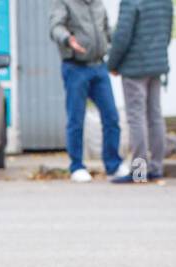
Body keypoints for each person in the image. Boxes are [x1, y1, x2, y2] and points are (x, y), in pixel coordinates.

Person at [50, 0, 123, 181]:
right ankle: (77, 166)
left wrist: (120, 49)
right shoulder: (64, 3)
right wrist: (67, 39)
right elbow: (55, 27)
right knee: (76, 118)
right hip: (75, 67)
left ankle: (113, 165)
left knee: (111, 117)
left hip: (99, 66)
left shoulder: (98, 4)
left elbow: (107, 31)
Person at [108, 0, 174, 183]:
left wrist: (112, 64)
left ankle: (139, 172)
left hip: (134, 67)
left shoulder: (131, 1)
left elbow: (122, 36)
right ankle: (156, 167)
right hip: (156, 64)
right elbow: (167, 31)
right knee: (155, 116)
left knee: (136, 118)